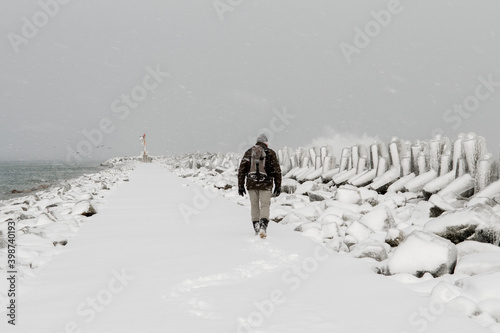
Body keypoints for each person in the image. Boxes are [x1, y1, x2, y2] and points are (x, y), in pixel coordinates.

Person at [238, 134, 282, 238]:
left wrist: (240, 185)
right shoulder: (270, 153)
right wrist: (278, 185)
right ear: (266, 143)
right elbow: (277, 171)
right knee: (265, 205)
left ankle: (256, 226)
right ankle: (263, 226)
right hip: (266, 184)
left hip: (251, 183)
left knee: (254, 205)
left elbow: (242, 170)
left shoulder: (249, 152)